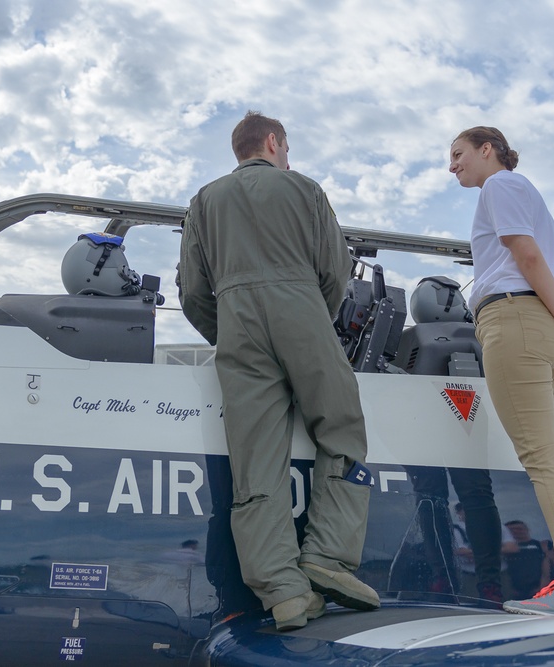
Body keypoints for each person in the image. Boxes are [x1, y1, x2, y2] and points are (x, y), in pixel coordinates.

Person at [178, 111, 379, 631]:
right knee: (342, 430)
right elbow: (334, 272)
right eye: (285, 148)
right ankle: (327, 559)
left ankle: (283, 591)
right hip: (302, 308)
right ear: (273, 142)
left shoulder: (204, 201)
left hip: (236, 322)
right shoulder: (306, 190)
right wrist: (311, 324)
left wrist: (227, 336)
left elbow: (193, 291)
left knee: (254, 460)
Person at [449, 126, 554, 615]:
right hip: (541, 327)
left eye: (458, 154)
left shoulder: (501, 185)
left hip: (516, 321)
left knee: (543, 460)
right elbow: (537, 261)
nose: (451, 165)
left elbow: (528, 255)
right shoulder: (520, 192)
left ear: (487, 149)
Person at [504, 520, 548, 600]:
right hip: (511, 592)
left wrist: (542, 587)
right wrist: (508, 590)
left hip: (538, 590)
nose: (516, 531)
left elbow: (546, 568)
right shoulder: (504, 549)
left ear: (527, 530)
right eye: (512, 530)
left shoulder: (540, 546)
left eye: (519, 529)